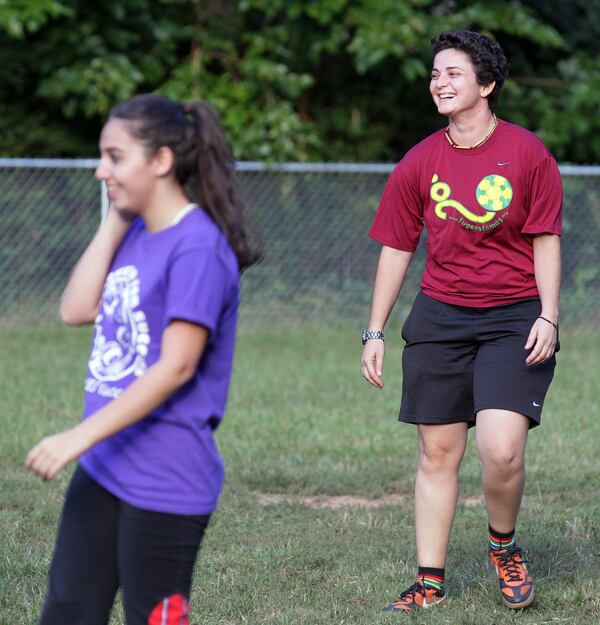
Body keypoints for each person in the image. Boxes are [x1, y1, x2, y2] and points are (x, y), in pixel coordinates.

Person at [25, 94, 261, 625]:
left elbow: (177, 366)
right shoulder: (136, 232)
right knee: (66, 610)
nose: (99, 169)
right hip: (106, 464)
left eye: (114, 157)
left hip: (165, 476)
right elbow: (75, 309)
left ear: (160, 161)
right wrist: (115, 219)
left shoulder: (198, 247)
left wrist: (75, 436)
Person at [361, 30, 562, 613]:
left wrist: (549, 314)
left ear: (487, 84)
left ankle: (503, 547)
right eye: (435, 74)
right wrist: (374, 331)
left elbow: (545, 238)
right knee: (438, 454)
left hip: (513, 315)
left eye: (453, 73)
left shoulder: (527, 154)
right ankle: (430, 583)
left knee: (501, 451)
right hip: (440, 318)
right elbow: (396, 247)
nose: (439, 83)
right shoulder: (420, 160)